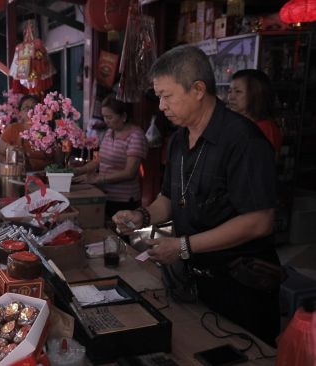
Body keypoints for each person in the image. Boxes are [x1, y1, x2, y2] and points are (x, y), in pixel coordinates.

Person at [113, 45, 280, 346]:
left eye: (167, 95)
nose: (161, 106)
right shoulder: (178, 140)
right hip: (194, 280)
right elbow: (168, 198)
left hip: (239, 286)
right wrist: (141, 216)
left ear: (198, 89)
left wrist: (183, 246)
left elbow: (259, 221)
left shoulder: (243, 141)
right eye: (158, 96)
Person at [74, 95, 148, 220]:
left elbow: (129, 172)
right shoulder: (109, 133)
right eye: (104, 117)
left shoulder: (135, 136)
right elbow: (99, 160)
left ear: (123, 116)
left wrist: (98, 179)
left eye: (110, 117)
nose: (106, 121)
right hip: (104, 194)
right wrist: (78, 171)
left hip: (124, 199)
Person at [0, 95, 57, 171]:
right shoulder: (13, 129)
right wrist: (12, 165)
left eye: (34, 107)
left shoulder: (47, 130)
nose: (30, 110)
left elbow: (57, 160)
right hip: (19, 174)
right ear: (20, 113)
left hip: (46, 174)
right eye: (26, 108)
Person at [227, 69, 282, 153]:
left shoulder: (265, 129)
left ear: (256, 94)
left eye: (238, 92)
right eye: (229, 91)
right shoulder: (242, 125)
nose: (231, 97)